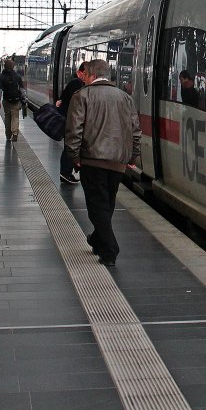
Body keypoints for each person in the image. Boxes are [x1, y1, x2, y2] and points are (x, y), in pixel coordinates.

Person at [64, 58, 140, 267]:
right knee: (107, 204)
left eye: (85, 76)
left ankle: (109, 249)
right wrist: (133, 156)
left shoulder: (82, 96)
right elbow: (135, 131)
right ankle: (97, 239)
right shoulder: (125, 98)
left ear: (90, 75)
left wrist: (74, 156)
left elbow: (74, 130)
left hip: (92, 160)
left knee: (97, 206)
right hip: (117, 162)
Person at [55, 61, 87, 184]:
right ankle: (66, 173)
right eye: (86, 73)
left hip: (70, 119)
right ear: (80, 73)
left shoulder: (75, 82)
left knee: (70, 146)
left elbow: (62, 99)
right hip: (71, 120)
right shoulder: (77, 83)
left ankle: (68, 172)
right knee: (70, 147)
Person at [0, 59, 25, 141]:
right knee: (15, 117)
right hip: (16, 100)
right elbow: (22, 89)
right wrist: (24, 98)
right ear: (13, 66)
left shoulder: (2, 76)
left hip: (6, 100)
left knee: (7, 117)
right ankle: (15, 133)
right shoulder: (17, 76)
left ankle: (8, 134)